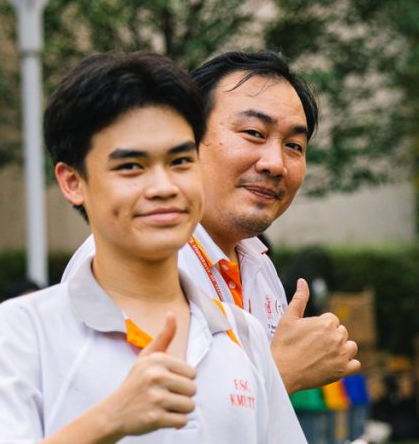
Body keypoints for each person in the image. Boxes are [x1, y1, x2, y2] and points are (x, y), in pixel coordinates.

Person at [0, 52, 326, 444]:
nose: (163, 186)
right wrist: (111, 418)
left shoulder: (243, 335)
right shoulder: (22, 333)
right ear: (72, 181)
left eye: (179, 162)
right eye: (130, 166)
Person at [63, 50, 359, 393]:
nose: (275, 163)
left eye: (294, 145)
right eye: (253, 132)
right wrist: (278, 375)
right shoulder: (123, 264)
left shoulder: (257, 266)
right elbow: (122, 427)